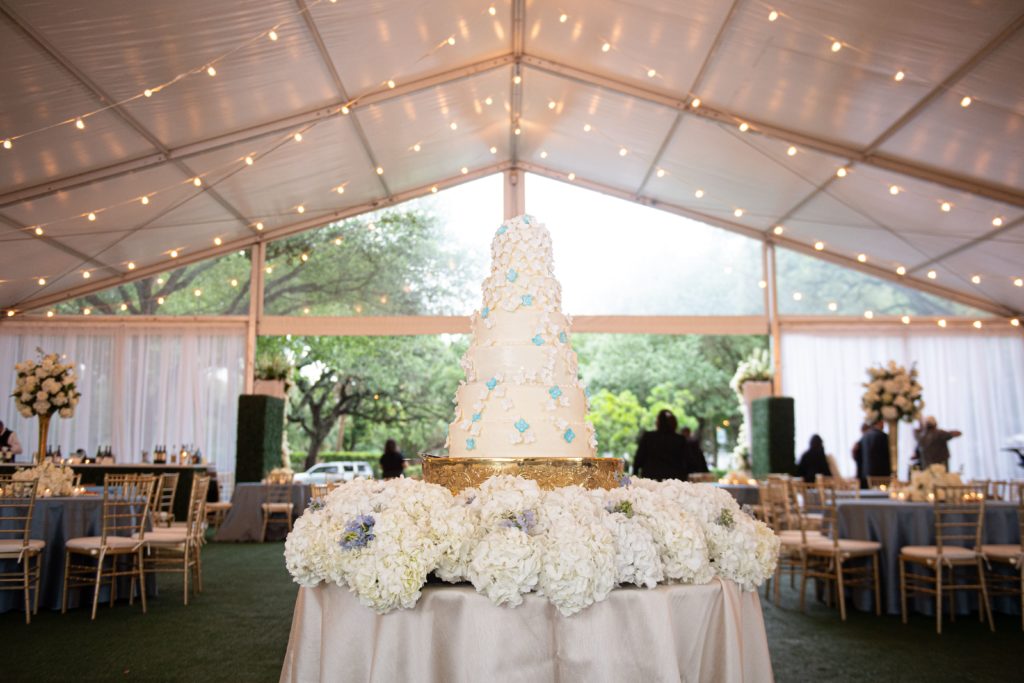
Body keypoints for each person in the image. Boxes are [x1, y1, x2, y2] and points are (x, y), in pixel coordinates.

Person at [633, 410, 687, 481]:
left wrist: (634, 474)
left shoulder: (649, 437)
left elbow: (639, 458)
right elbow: (686, 462)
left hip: (650, 480)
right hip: (674, 482)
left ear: (659, 422)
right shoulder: (680, 439)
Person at [858, 419, 890, 488]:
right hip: (881, 475)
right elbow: (886, 457)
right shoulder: (882, 436)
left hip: (866, 474)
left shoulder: (864, 436)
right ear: (880, 422)